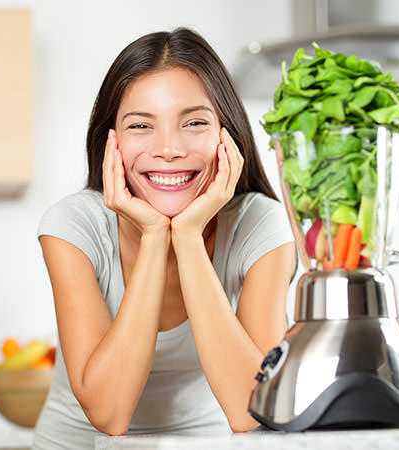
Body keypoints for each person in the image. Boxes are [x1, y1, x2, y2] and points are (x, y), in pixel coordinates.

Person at [33, 27, 297, 449]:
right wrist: (156, 236)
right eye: (141, 125)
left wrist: (188, 238)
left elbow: (255, 411)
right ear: (111, 143)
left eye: (194, 122)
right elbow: (109, 414)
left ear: (225, 135)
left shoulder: (261, 226)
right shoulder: (73, 226)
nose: (169, 149)